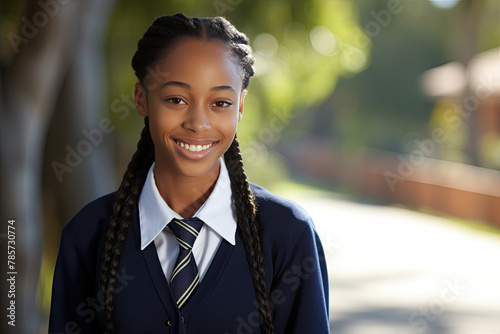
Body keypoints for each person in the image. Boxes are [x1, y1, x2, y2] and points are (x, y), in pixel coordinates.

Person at [49, 13, 329, 334]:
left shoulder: (288, 235)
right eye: (176, 99)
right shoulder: (87, 235)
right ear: (142, 98)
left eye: (220, 102)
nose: (198, 123)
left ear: (240, 106)